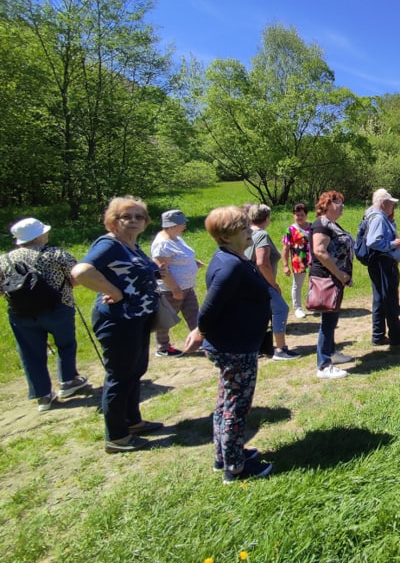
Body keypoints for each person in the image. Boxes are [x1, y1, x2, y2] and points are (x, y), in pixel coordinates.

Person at [182, 206, 274, 483]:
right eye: (243, 227)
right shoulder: (230, 265)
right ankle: (235, 468)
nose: (249, 230)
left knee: (226, 402)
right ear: (226, 233)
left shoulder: (231, 257)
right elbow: (208, 309)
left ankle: (225, 455)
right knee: (236, 405)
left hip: (235, 343)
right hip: (234, 347)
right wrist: (199, 331)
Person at [71, 197, 164, 453]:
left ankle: (132, 421)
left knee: (135, 370)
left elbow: (131, 273)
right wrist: (115, 291)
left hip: (138, 318)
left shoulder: (131, 245)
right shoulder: (109, 243)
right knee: (120, 375)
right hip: (118, 320)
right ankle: (117, 436)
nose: (134, 221)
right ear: (114, 221)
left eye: (139, 216)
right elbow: (80, 273)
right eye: (127, 217)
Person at [2, 218, 88, 412]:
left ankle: (42, 396)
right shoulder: (56, 254)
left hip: (21, 314)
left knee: (30, 354)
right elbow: (76, 278)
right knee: (65, 345)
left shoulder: (4, 259)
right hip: (59, 307)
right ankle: (68, 381)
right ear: (39, 236)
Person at [309, 190, 355, 379]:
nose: (341, 205)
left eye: (341, 202)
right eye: (337, 202)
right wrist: (338, 273)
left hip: (336, 278)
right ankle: (323, 365)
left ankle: (332, 352)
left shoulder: (331, 224)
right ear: (326, 204)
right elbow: (319, 251)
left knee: (332, 319)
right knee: (328, 321)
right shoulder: (321, 224)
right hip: (326, 278)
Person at [245, 204, 299, 360]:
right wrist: (273, 284)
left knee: (259, 315)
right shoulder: (261, 235)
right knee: (281, 309)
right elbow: (262, 262)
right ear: (267, 218)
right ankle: (280, 350)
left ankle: (257, 348)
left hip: (249, 282)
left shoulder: (247, 233)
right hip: (261, 283)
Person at [363, 188, 400, 350]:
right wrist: (392, 245)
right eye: (391, 204)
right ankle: (396, 339)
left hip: (378, 263)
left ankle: (378, 335)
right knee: (389, 299)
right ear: (384, 203)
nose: (393, 207)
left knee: (380, 299)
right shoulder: (378, 218)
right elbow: (373, 242)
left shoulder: (373, 215)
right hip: (383, 263)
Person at [150, 209, 203, 356]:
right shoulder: (162, 244)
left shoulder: (177, 238)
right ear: (171, 225)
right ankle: (163, 348)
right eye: (181, 224)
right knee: (166, 318)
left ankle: (201, 341)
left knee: (193, 315)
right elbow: (161, 270)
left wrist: (193, 262)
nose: (184, 226)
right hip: (171, 289)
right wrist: (175, 289)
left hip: (187, 287)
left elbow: (181, 256)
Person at [282, 203, 312, 319]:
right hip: (298, 261)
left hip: (313, 260)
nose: (300, 217)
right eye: (297, 215)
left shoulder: (312, 227)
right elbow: (285, 248)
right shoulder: (290, 230)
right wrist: (285, 265)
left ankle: (313, 304)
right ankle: (298, 308)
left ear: (306, 215)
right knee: (297, 285)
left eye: (302, 215)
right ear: (293, 215)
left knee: (313, 283)